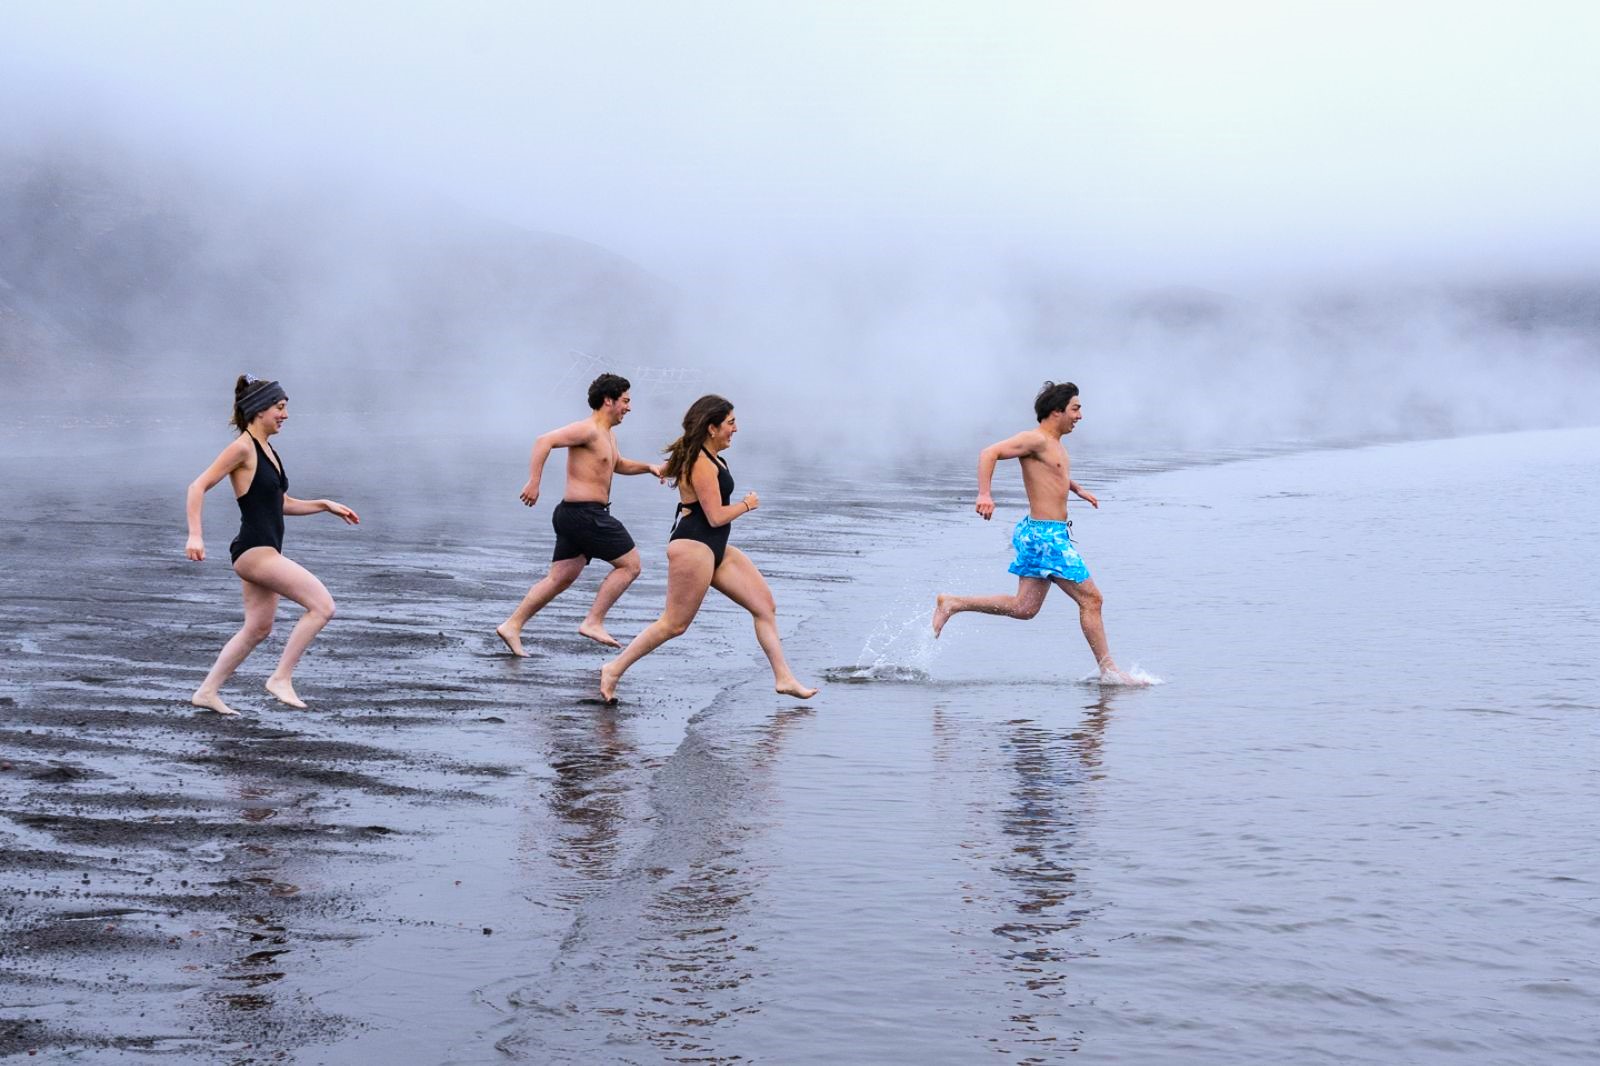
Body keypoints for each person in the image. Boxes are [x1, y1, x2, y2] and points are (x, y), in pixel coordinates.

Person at [599, 395, 818, 704]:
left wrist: (663, 470)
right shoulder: (702, 462)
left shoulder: (713, 458)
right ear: (712, 427)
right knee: (674, 624)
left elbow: (675, 473)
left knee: (764, 606)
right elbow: (715, 517)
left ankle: (783, 678)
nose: (736, 429)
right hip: (693, 546)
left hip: (715, 547)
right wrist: (746, 505)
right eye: (730, 423)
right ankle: (614, 669)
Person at [932, 380, 1142, 684]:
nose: (1080, 416)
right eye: (1075, 408)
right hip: (1046, 538)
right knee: (1092, 600)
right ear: (1057, 411)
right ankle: (1109, 671)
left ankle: (953, 602)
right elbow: (988, 453)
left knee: (1025, 608)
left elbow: (1052, 472)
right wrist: (984, 495)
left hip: (1042, 533)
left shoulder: (1054, 444)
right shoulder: (1035, 439)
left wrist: (1077, 488)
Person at [184, 375, 360, 716]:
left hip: (264, 550)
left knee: (258, 628)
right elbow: (197, 485)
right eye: (279, 408)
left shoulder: (267, 450)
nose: (285, 415)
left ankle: (207, 691)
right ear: (258, 410)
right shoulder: (242, 447)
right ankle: (281, 678)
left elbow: (280, 504)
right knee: (323, 606)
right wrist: (195, 534)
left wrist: (324, 504)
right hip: (254, 551)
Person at [496, 373, 663, 655]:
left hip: (575, 515)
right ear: (608, 400)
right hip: (585, 515)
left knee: (560, 577)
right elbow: (543, 441)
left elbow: (617, 464)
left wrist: (649, 467)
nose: (629, 407)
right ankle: (593, 621)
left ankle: (512, 625)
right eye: (625, 401)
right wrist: (534, 482)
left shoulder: (608, 434)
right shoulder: (588, 429)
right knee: (630, 565)